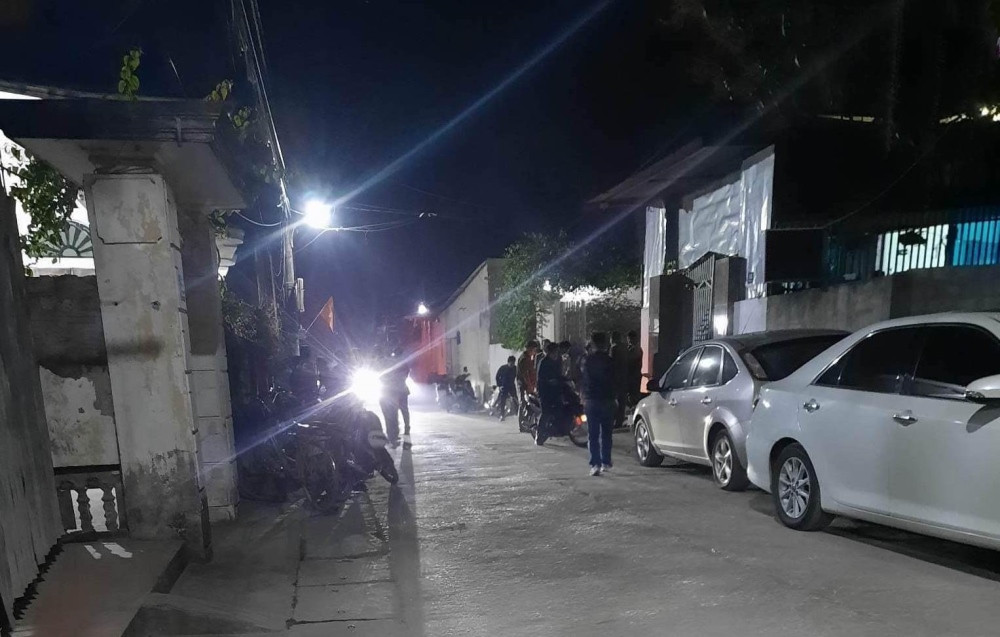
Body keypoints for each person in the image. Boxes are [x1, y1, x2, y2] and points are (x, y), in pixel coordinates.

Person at [581, 331, 615, 476]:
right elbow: (616, 380)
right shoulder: (610, 361)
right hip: (608, 399)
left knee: (593, 434)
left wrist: (583, 396)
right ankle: (606, 461)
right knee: (607, 433)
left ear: (593, 343)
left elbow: (583, 380)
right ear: (605, 343)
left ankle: (595, 464)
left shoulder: (587, 361)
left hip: (592, 400)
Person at [379, 348, 412, 449]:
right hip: (399, 390)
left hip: (392, 392)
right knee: (402, 410)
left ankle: (394, 434)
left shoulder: (388, 363)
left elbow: (382, 377)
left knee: (393, 413)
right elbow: (406, 374)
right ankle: (404, 428)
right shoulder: (402, 363)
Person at [535, 342, 565, 445]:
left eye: (557, 352)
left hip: (556, 391)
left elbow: (559, 375)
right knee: (546, 413)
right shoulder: (543, 362)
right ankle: (539, 435)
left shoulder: (558, 361)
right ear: (550, 352)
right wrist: (549, 381)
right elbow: (541, 378)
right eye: (554, 352)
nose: (556, 354)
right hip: (545, 392)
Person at [610, 331, 630, 429]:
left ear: (613, 339)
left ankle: (615, 420)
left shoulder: (614, 348)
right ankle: (620, 420)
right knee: (622, 401)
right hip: (624, 377)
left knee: (614, 400)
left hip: (615, 378)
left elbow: (611, 364)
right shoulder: (625, 348)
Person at [494, 356, 518, 420]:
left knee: (515, 399)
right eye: (511, 363)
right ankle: (502, 414)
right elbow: (497, 377)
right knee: (503, 400)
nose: (512, 365)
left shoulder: (515, 369)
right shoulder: (503, 368)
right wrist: (499, 385)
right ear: (508, 362)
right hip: (504, 386)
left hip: (512, 386)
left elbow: (518, 376)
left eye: (513, 363)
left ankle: (517, 412)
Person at [626, 330, 644, 408]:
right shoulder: (630, 348)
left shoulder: (637, 349)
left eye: (630, 339)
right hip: (630, 376)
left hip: (634, 376)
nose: (629, 341)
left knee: (634, 395)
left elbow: (631, 359)